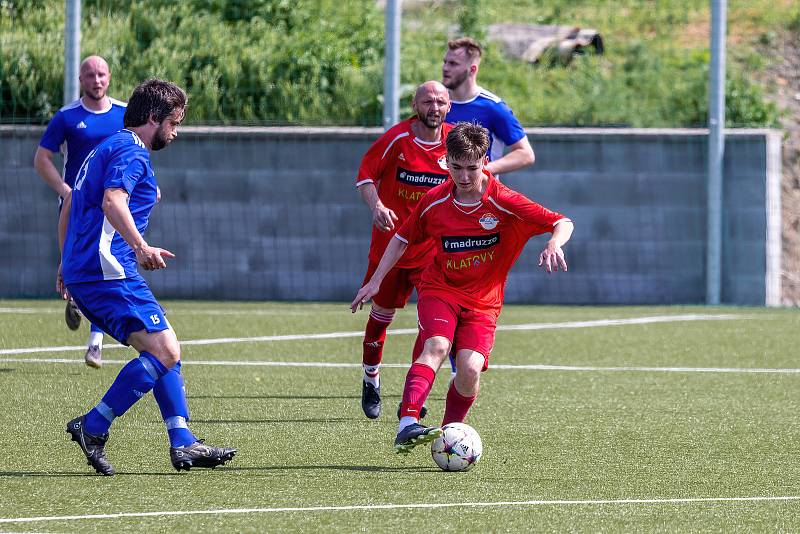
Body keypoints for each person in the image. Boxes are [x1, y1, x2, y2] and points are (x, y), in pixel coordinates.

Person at [351, 122, 573, 453]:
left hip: (484, 303)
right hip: (440, 289)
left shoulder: (504, 201)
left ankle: (449, 433)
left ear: (485, 160)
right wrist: (376, 279)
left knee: (469, 369)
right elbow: (400, 238)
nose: (464, 176)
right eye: (456, 167)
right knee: (436, 346)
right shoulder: (435, 200)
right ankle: (407, 423)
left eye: (472, 167)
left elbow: (561, 221)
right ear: (446, 162)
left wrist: (555, 243)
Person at [59, 79, 236, 475]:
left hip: (89, 269)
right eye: (174, 122)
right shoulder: (132, 150)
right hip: (108, 271)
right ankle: (93, 425)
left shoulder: (105, 147)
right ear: (153, 118)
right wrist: (141, 246)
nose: (175, 132)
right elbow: (112, 200)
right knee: (165, 351)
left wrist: (64, 263)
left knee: (164, 349)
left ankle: (183, 441)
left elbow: (71, 200)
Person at [355, 81, 452, 420]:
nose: (434, 107)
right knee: (381, 318)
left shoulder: (454, 143)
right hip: (390, 250)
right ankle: (371, 379)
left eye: (440, 101)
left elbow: (475, 179)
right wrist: (377, 205)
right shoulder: (398, 139)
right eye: (428, 101)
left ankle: (415, 390)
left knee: (430, 325)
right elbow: (365, 176)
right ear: (415, 104)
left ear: (449, 106)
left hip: (431, 254)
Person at [442, 36, 536, 378]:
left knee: (467, 280)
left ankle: (461, 359)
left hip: (477, 210)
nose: (445, 68)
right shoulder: (437, 103)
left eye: (452, 63)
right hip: (440, 206)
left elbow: (526, 153)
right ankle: (441, 361)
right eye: (445, 62)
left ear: (472, 68)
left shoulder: (491, 107)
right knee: (435, 281)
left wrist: (481, 170)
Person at [35, 55, 126, 369]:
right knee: (77, 267)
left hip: (111, 204)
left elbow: (136, 152)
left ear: (110, 77)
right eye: (90, 75)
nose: (96, 80)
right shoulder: (67, 117)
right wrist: (66, 191)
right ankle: (75, 295)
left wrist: (144, 186)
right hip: (77, 207)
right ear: (80, 80)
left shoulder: (124, 114)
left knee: (104, 265)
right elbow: (41, 159)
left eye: (101, 74)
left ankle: (95, 343)